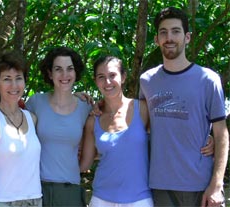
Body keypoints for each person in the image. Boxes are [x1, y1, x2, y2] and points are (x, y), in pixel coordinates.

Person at [139, 7, 229, 207]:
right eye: (163, 32)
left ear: (187, 37)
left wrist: (216, 184)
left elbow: (221, 133)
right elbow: (137, 124)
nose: (169, 37)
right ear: (156, 39)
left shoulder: (208, 79)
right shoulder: (146, 81)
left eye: (175, 31)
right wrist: (97, 106)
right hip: (159, 187)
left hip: (200, 186)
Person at [80, 56, 153, 207]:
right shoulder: (93, 120)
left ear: (123, 77)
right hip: (101, 199)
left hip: (140, 200)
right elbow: (84, 165)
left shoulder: (143, 109)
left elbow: (169, 134)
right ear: (96, 81)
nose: (107, 82)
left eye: (112, 75)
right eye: (101, 77)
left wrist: (208, 140)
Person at [26, 46, 92, 207]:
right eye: (58, 69)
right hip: (37, 189)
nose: (64, 75)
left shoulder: (86, 107)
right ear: (50, 73)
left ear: (76, 73)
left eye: (70, 69)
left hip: (70, 191)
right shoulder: (35, 103)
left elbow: (91, 151)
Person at [0, 51, 42, 207]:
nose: (14, 85)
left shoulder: (31, 118)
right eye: (7, 79)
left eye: (18, 78)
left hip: (35, 199)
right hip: (4, 201)